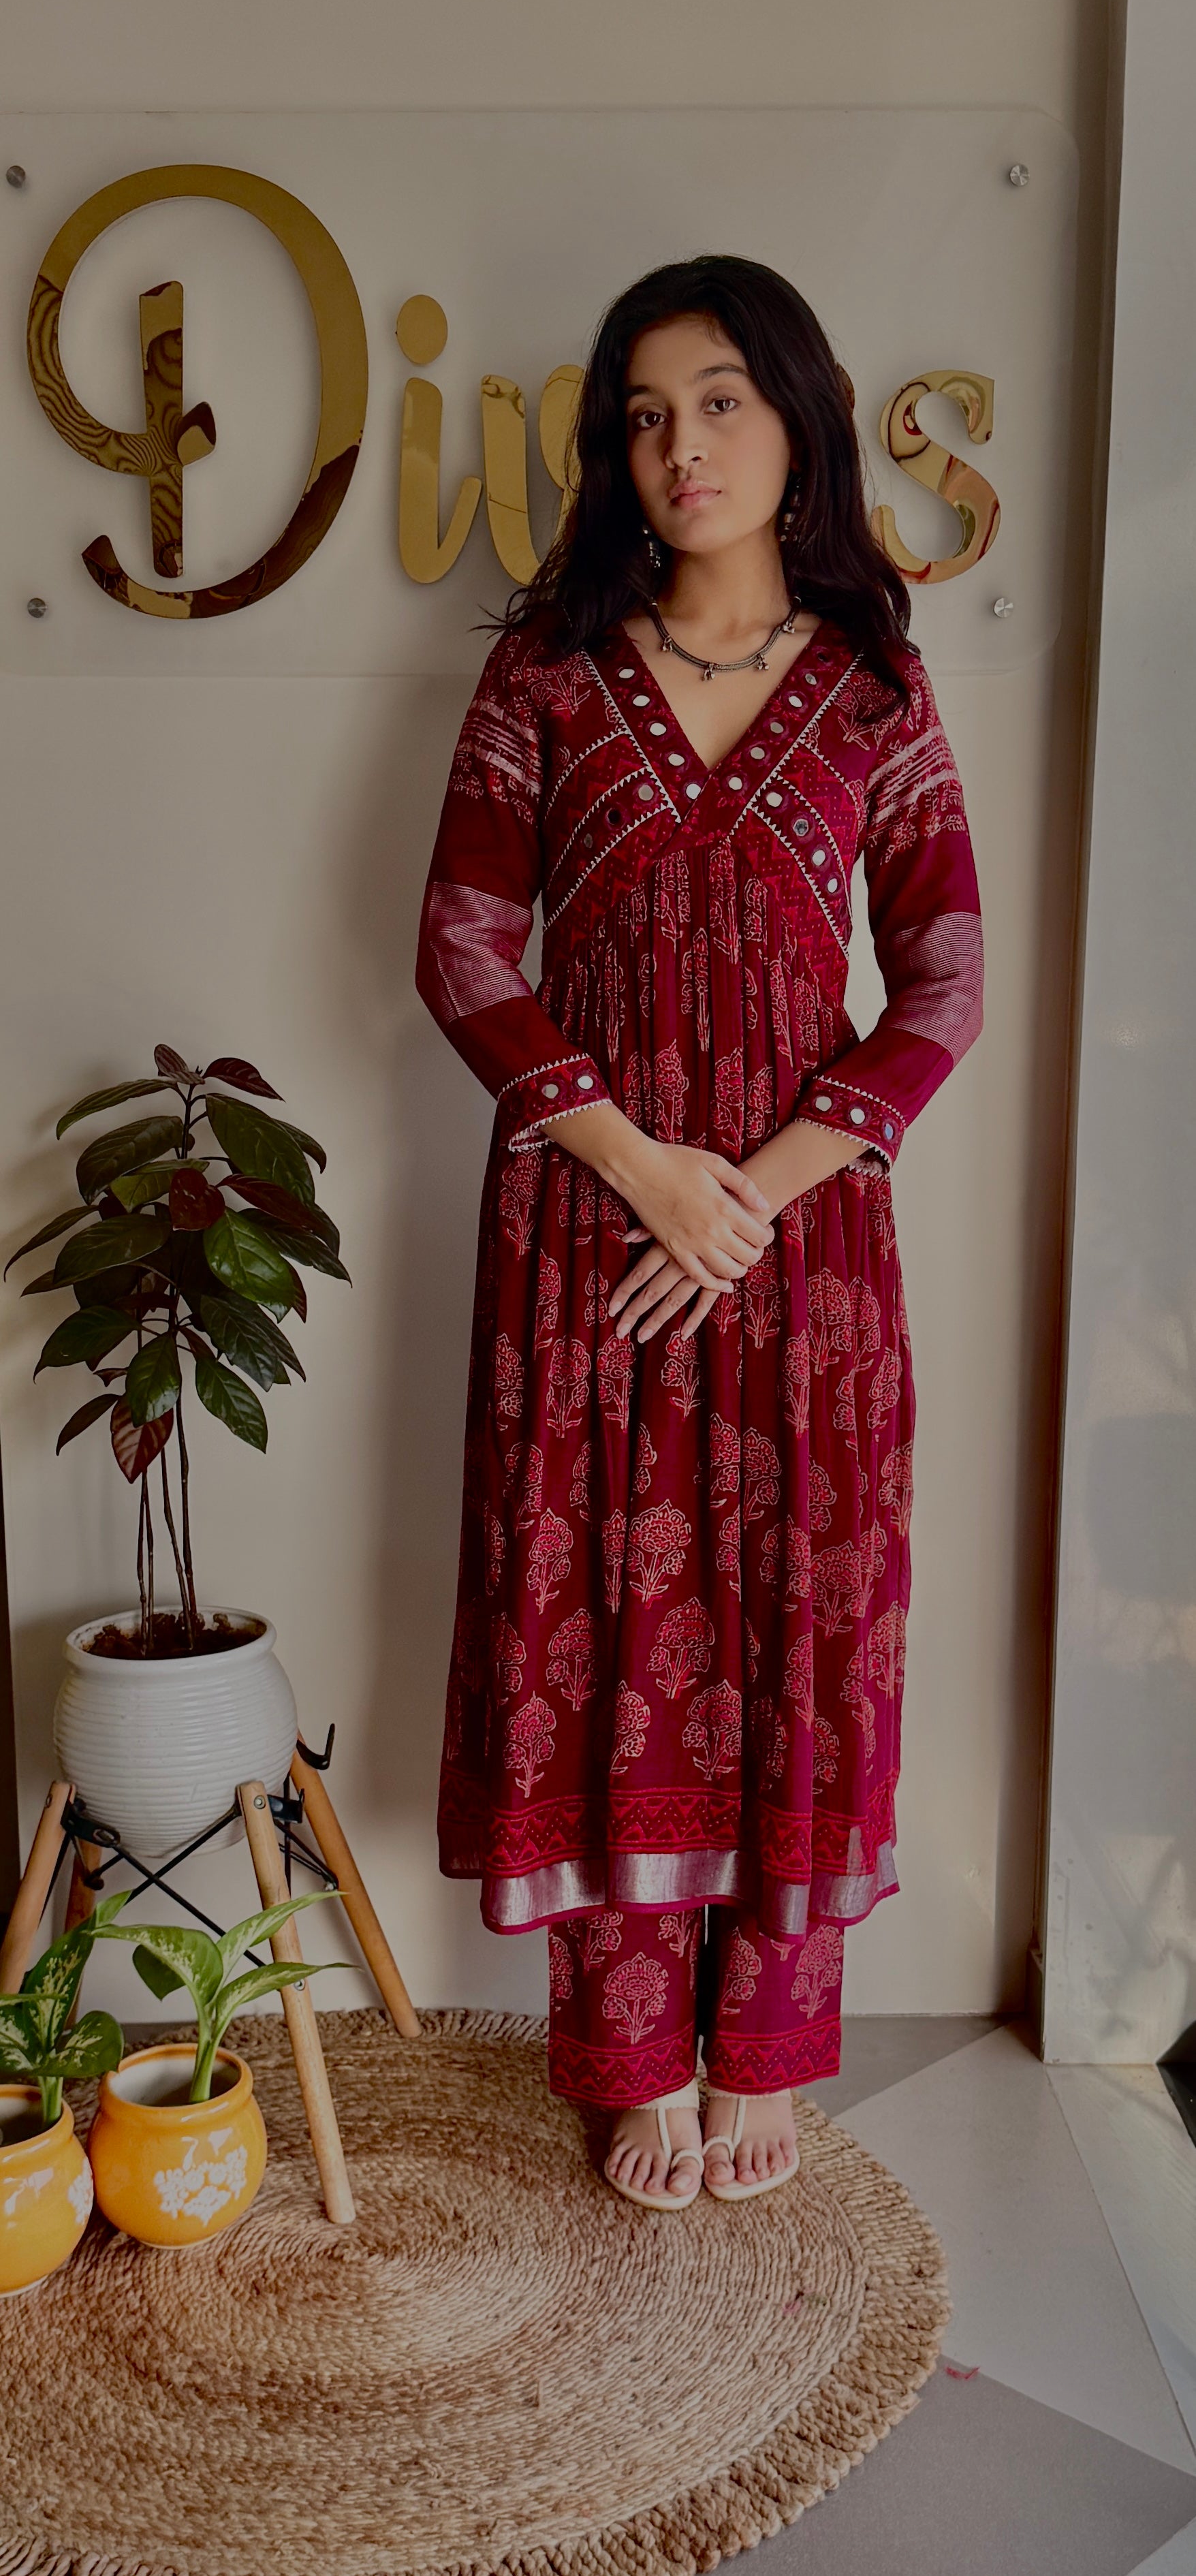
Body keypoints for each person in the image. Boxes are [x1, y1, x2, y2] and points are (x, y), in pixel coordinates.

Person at [415, 254, 983, 2210]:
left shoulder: (874, 686)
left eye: (722, 398)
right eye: (645, 415)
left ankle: (766, 2042)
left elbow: (944, 981)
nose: (684, 446)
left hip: (804, 1251)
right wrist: (648, 1172)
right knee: (596, 1612)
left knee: (796, 1613)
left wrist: (757, 1186)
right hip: (592, 1229)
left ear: (799, 417)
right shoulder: (545, 674)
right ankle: (631, 2052)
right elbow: (464, 950)